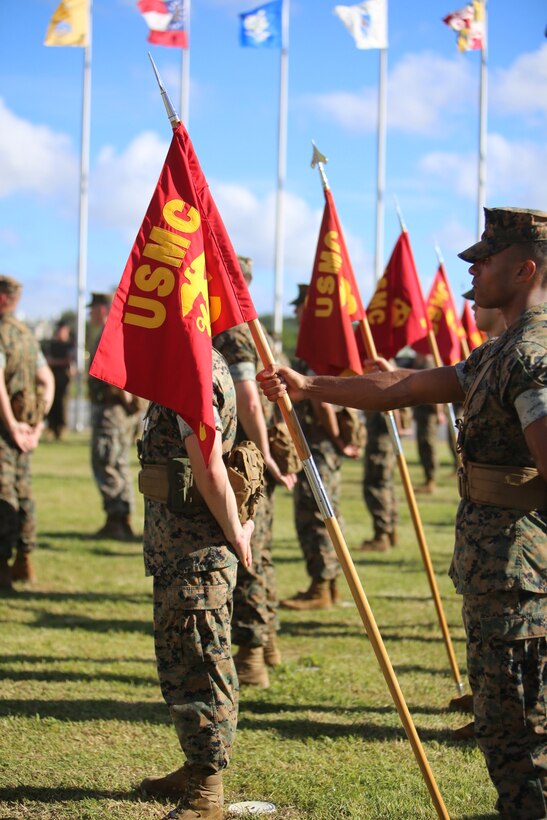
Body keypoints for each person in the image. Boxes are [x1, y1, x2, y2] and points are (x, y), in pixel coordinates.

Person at [257, 207, 547, 820]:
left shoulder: (535, 355)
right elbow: (407, 387)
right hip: (500, 571)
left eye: (488, 258)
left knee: (527, 728)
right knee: (506, 726)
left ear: (524, 269)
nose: (477, 267)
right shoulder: (502, 351)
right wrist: (310, 387)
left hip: (527, 578)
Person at [138, 348, 254, 819]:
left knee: (200, 665)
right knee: (182, 658)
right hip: (178, 548)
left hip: (196, 552)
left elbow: (208, 467)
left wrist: (236, 534)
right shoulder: (186, 365)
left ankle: (207, 791)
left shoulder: (196, 373)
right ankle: (196, 766)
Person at [213, 256, 298, 688]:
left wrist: (263, 456)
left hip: (247, 460)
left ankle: (252, 656)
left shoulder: (233, 330)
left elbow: (248, 398)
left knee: (247, 555)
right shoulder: (258, 329)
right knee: (261, 550)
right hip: (258, 458)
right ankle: (267, 644)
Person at [281, 284, 359, 608]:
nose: (296, 313)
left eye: (301, 308)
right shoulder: (326, 346)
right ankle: (329, 587)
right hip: (325, 446)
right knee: (326, 512)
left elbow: (321, 403)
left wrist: (337, 439)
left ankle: (321, 588)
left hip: (317, 447)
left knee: (315, 514)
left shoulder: (314, 349)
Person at [0, 275, 54, 589]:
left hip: (6, 431)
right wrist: (37, 424)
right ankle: (25, 558)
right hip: (23, 429)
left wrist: (13, 428)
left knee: (4, 494)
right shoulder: (26, 335)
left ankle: (4, 567)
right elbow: (47, 380)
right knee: (23, 493)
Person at [87, 292, 144, 541]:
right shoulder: (121, 328)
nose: (90, 314)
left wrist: (127, 398)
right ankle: (122, 517)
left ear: (102, 309)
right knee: (117, 461)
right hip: (120, 409)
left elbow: (116, 369)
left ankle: (117, 519)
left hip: (112, 408)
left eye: (92, 309)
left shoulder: (111, 330)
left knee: (107, 460)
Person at [361, 410, 397, 552]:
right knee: (385, 484)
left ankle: (382, 536)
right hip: (385, 437)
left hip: (380, 439)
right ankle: (390, 531)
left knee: (376, 485)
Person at [412, 353, 443, 495]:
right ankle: (427, 479)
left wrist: (439, 412)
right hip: (421, 414)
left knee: (428, 446)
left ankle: (431, 480)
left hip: (428, 414)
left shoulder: (428, 361)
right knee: (423, 446)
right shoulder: (419, 361)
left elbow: (435, 390)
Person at [43, 319, 75, 440]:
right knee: (52, 403)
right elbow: (48, 360)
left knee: (62, 404)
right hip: (52, 378)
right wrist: (59, 362)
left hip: (64, 379)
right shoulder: (52, 344)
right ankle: (51, 428)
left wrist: (55, 362)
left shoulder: (70, 345)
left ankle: (61, 428)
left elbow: (69, 361)